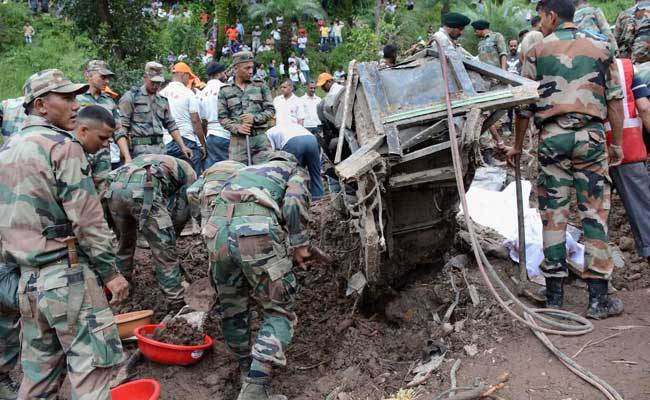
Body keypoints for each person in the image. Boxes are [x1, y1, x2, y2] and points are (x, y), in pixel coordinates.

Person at [0, 69, 130, 399]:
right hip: (67, 279)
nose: (76, 105)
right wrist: (111, 273)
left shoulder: (8, 150)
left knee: (38, 381)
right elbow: (87, 220)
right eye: (68, 98)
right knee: (93, 377)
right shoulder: (63, 147)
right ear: (41, 105)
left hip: (27, 284)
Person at [506, 0, 625, 319]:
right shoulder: (601, 47)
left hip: (552, 139)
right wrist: (617, 144)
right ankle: (599, 300)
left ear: (552, 15)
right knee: (594, 213)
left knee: (554, 214)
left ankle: (555, 296)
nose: (539, 23)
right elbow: (615, 101)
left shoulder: (535, 51)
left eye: (541, 17)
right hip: (592, 138)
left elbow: (524, 106)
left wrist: (517, 146)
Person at [203, 151, 312, 399]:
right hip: (254, 232)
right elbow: (294, 203)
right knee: (279, 308)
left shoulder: (244, 172)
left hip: (216, 231)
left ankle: (244, 370)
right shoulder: (292, 171)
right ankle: (255, 388)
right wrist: (300, 244)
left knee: (232, 306)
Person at [106, 155, 196, 308]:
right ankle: (176, 300)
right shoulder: (190, 174)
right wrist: (168, 238)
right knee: (164, 250)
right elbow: (182, 213)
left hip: (113, 189)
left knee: (124, 243)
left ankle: (122, 286)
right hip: (143, 190)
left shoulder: (151, 159)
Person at [606, 58, 650, 267]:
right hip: (627, 145)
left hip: (589, 149)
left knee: (593, 212)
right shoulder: (626, 67)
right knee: (643, 210)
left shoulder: (577, 62)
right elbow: (644, 107)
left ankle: (598, 277)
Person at [77, 60, 131, 199]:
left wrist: (127, 156)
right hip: (80, 155)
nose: (106, 81)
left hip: (103, 158)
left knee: (104, 194)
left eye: (108, 78)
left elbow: (118, 130)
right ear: (88, 75)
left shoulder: (108, 101)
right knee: (81, 192)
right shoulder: (75, 98)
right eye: (102, 76)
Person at [119, 62, 192, 160]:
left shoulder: (162, 100)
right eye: (153, 82)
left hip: (160, 150)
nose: (156, 85)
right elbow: (122, 128)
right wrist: (126, 156)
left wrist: (183, 146)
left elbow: (171, 125)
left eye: (158, 82)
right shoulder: (131, 97)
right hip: (139, 152)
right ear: (145, 78)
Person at [218, 51, 275, 165]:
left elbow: (271, 110)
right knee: (238, 177)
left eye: (252, 68)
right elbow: (222, 118)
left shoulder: (260, 86)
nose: (250, 71)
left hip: (260, 141)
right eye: (246, 68)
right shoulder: (225, 91)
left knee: (264, 175)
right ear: (236, 68)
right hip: (238, 144)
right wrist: (237, 128)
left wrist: (255, 118)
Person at [159, 62, 207, 174]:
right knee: (193, 177)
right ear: (183, 75)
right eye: (189, 77)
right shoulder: (188, 93)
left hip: (166, 142)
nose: (189, 80)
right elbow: (195, 120)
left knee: (170, 178)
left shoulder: (161, 94)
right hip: (187, 140)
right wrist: (202, 144)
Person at [267, 123, 324, 198]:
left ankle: (294, 198)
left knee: (290, 173)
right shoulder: (290, 125)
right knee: (315, 172)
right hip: (312, 140)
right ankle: (318, 197)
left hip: (293, 142)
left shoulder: (268, 133)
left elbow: (272, 152)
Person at [187, 160, 245, 224]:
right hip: (232, 196)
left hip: (210, 194)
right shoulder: (245, 169)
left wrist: (198, 216)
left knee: (210, 230)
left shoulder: (208, 172)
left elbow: (191, 191)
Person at [201, 62, 230, 169]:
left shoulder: (202, 92)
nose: (226, 75)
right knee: (228, 170)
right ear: (219, 74)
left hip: (210, 135)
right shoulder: (226, 88)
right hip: (225, 133)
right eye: (224, 73)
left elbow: (203, 120)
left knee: (213, 169)